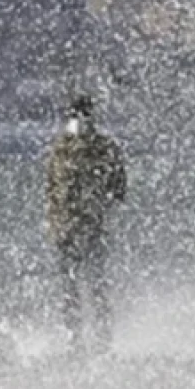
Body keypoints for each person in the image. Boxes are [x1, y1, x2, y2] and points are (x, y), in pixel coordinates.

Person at [44, 94, 127, 351]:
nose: (79, 121)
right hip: (69, 227)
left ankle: (98, 339)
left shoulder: (100, 147)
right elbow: (51, 189)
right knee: (75, 286)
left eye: (82, 115)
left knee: (93, 284)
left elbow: (119, 188)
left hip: (88, 225)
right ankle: (77, 339)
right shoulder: (61, 148)